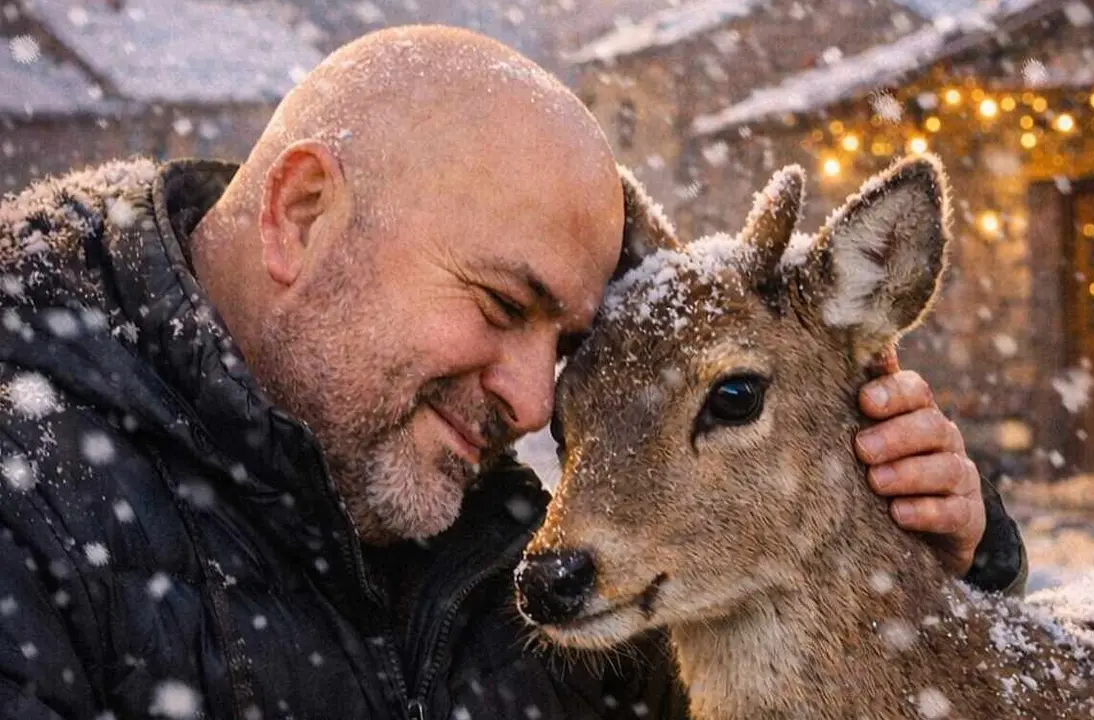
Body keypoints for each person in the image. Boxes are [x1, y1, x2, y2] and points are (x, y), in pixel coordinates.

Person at [0, 26, 1025, 720]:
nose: (534, 403)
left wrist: (931, 554)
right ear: (301, 216)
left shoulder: (501, 541)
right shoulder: (31, 504)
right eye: (500, 307)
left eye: (564, 347)